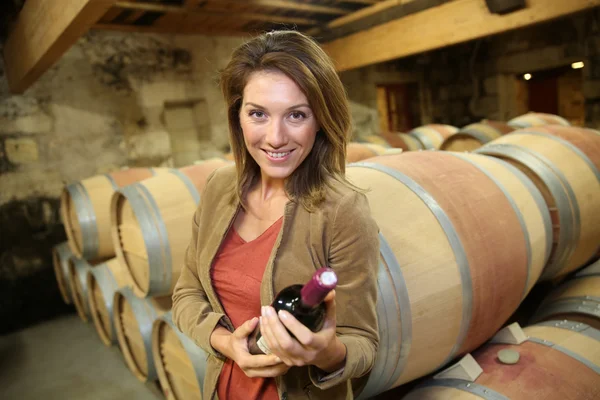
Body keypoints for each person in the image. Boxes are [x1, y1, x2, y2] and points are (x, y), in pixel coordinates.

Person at [172, 30, 380, 400]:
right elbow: (187, 294)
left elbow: (363, 343)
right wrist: (226, 343)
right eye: (258, 114)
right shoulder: (220, 187)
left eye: (296, 115)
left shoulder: (342, 209)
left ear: (320, 122)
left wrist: (326, 353)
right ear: (238, 116)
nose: (275, 137)